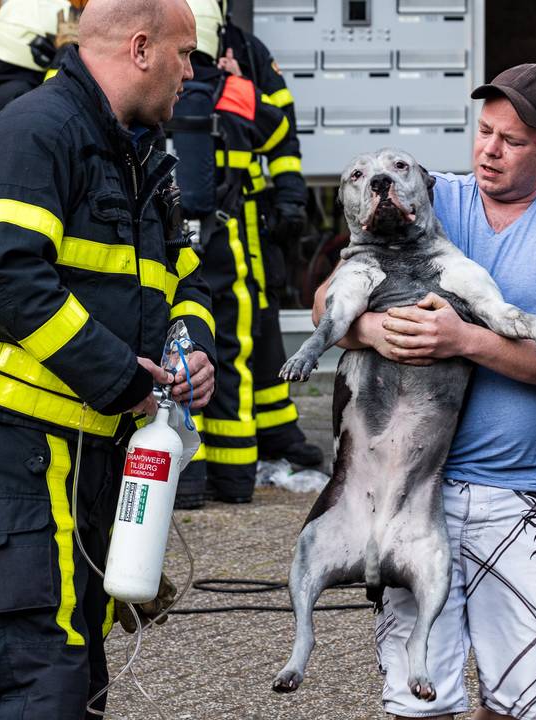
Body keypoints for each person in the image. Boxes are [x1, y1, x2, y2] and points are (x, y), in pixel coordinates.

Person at [0, 1, 215, 717]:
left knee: (78, 674)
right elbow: (3, 273)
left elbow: (184, 277)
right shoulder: (33, 134)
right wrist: (122, 381)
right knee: (39, 681)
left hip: (84, 450)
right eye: (185, 55)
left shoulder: (136, 151)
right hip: (4, 447)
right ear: (142, 49)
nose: (191, 74)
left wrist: (193, 348)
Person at [314, 63, 536, 719]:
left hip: (525, 500)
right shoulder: (428, 197)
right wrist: (374, 327)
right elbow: (325, 306)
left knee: (524, 706)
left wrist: (464, 340)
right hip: (414, 498)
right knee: (419, 705)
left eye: (511, 140)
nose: (488, 149)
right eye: (483, 131)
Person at [170, 0, 313, 506]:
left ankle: (183, 482)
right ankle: (232, 481)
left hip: (168, 249)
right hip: (231, 246)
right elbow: (280, 132)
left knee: (176, 359)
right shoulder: (239, 91)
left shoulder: (153, 95)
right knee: (232, 358)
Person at [217, 1, 323, 468]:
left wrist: (289, 200)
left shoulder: (247, 50)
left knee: (260, 318)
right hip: (209, 216)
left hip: (251, 214)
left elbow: (283, 135)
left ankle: (276, 429)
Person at [0, 0, 78, 130]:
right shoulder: (17, 94)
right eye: (61, 43)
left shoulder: (6, 85)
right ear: (39, 47)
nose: (72, 49)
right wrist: (61, 64)